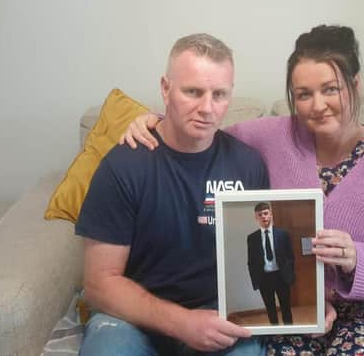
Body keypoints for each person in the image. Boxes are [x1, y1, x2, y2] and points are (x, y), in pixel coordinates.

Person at [121, 24, 364, 354]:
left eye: (330, 89)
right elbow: (202, 134)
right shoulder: (269, 137)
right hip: (302, 311)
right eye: (303, 95)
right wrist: (154, 122)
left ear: (356, 85)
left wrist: (358, 259)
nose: (317, 105)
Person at [76, 34, 270, 355]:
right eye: (192, 92)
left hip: (218, 314)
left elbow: (260, 261)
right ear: (165, 89)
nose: (207, 108)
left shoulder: (247, 164)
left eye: (219, 94)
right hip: (132, 317)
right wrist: (183, 323)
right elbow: (98, 284)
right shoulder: (124, 165)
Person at [247, 202, 295, 325]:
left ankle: (290, 332)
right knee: (270, 308)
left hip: (281, 277)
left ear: (271, 214)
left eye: (266, 213)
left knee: (286, 307)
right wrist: (255, 281)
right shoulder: (252, 238)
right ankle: (275, 333)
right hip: (264, 279)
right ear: (256, 218)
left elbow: (290, 256)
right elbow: (251, 262)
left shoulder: (283, 234)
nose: (263, 217)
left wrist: (290, 276)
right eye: (260, 215)